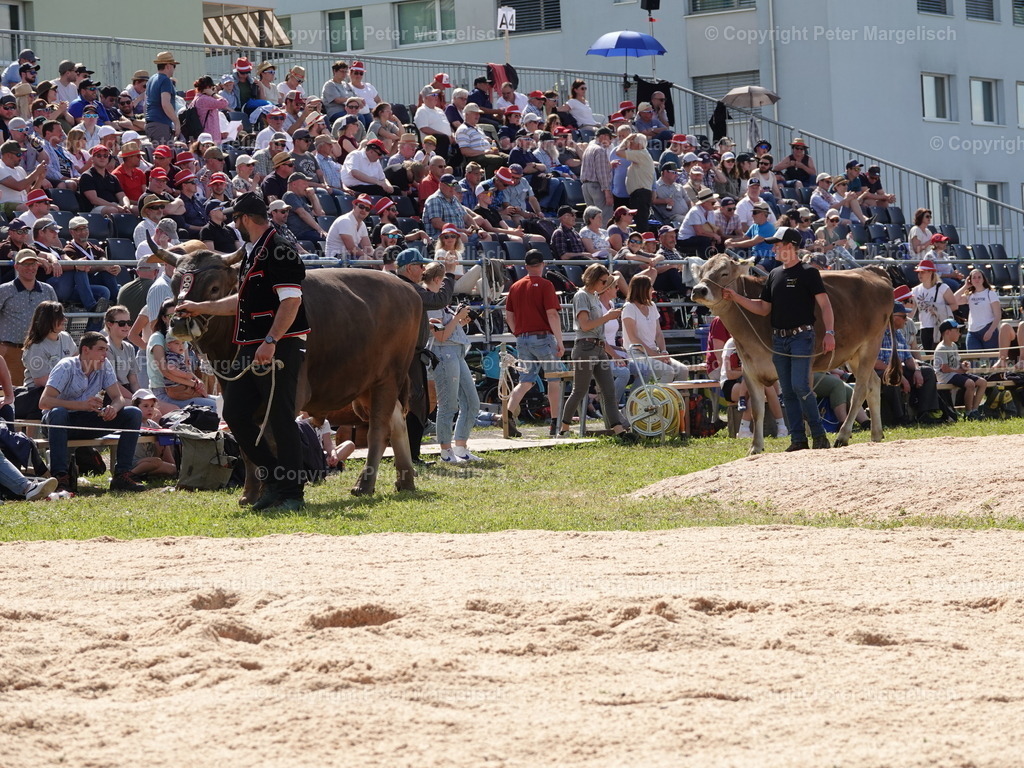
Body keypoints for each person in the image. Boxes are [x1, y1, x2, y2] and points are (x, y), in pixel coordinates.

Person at [176, 192, 309, 512]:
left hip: (276, 348)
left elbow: (292, 301)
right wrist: (200, 306)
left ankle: (292, 493)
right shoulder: (254, 252)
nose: (236, 224)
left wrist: (271, 341)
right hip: (252, 347)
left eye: (237, 219)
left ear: (245, 219)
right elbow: (241, 303)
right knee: (235, 413)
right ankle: (275, 479)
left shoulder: (280, 249)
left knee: (280, 418)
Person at [722, 226, 836, 451]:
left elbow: (825, 304)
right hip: (780, 339)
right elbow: (764, 308)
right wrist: (736, 298)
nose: (773, 248)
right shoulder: (774, 274)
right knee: (789, 389)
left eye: (778, 244)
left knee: (800, 387)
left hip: (802, 336)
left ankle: (819, 435)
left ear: (791, 247)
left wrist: (830, 333)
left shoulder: (808, 273)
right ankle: (798, 439)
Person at [39, 331, 145, 494]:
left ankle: (122, 475)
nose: (105, 354)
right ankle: (60, 477)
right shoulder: (66, 366)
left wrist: (113, 409)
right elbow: (44, 402)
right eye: (101, 349)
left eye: (107, 350)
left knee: (133, 413)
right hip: (60, 422)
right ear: (86, 350)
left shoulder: (105, 366)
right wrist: (80, 405)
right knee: (58, 412)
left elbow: (118, 398)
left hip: (89, 419)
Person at [558, 264, 636, 441]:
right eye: (603, 281)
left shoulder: (594, 296)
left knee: (609, 391)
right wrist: (608, 317)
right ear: (593, 278)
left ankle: (618, 429)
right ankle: (564, 427)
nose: (605, 284)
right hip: (585, 347)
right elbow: (585, 325)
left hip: (599, 347)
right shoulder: (582, 296)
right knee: (580, 390)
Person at [394, 247, 456, 464]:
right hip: (409, 355)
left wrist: (423, 324)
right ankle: (411, 457)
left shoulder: (400, 286)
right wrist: (449, 274)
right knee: (417, 405)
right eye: (420, 266)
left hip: (406, 353)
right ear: (410, 268)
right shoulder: (409, 288)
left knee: (411, 405)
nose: (423, 270)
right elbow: (440, 300)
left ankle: (410, 456)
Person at [422, 261, 482, 464]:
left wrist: (462, 320)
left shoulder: (440, 303)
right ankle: (446, 450)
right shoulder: (431, 304)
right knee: (448, 405)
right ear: (438, 279)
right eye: (446, 282)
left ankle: (461, 447)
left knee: (472, 402)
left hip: (455, 352)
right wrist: (457, 318)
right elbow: (439, 337)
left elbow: (448, 330)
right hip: (443, 354)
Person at [504, 249, 564, 437]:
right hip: (543, 337)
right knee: (554, 379)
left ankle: (506, 417)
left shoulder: (515, 286)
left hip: (523, 338)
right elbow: (552, 314)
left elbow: (509, 316)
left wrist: (518, 334)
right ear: (542, 265)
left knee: (525, 382)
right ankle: (555, 422)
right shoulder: (546, 285)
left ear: (526, 266)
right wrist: (560, 341)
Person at [877, 300, 943, 426]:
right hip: (882, 371)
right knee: (893, 379)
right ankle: (899, 417)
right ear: (893, 317)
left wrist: (917, 370)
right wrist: (899, 376)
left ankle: (925, 412)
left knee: (927, 372)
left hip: (898, 369)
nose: (906, 320)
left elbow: (908, 357)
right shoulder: (877, 335)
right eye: (903, 316)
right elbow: (874, 363)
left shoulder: (898, 334)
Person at [146, 299, 217, 412]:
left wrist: (197, 381)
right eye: (171, 315)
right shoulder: (157, 338)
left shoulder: (182, 338)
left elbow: (187, 368)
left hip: (186, 388)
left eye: (177, 314)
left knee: (221, 401)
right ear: (164, 318)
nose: (175, 318)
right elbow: (167, 372)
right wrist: (192, 384)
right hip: (166, 392)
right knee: (215, 407)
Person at [621, 273, 688, 384]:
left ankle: (676, 400)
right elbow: (634, 339)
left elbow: (658, 333)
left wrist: (664, 352)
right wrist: (656, 356)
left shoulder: (652, 306)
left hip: (654, 353)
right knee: (668, 372)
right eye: (650, 287)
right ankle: (661, 400)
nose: (653, 290)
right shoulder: (629, 307)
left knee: (683, 370)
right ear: (642, 289)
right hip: (636, 354)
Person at [933, 318, 988, 421]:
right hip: (945, 376)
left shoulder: (953, 346)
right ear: (948, 332)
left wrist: (962, 365)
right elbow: (944, 369)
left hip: (954, 373)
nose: (959, 333)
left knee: (982, 382)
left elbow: (955, 362)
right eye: (957, 331)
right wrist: (959, 371)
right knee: (970, 383)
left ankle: (974, 410)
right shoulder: (941, 348)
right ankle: (968, 413)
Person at [129, 388, 177, 479]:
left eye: (152, 406)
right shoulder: (132, 423)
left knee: (172, 469)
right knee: (156, 461)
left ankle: (143, 475)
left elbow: (164, 438)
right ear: (136, 407)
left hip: (149, 462)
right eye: (145, 406)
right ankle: (129, 475)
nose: (150, 409)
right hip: (134, 462)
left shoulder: (153, 424)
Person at [911, 259, 958, 351]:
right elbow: (912, 311)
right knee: (929, 357)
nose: (920, 275)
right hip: (924, 327)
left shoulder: (943, 288)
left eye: (923, 272)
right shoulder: (915, 290)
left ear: (930, 273)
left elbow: (955, 306)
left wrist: (938, 309)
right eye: (919, 272)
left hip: (940, 327)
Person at [954, 269, 1001, 356]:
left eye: (979, 277)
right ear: (970, 280)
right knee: (972, 360)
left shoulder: (990, 293)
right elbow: (955, 300)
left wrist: (991, 331)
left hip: (987, 328)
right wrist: (965, 286)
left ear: (983, 279)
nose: (977, 280)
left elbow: (997, 315)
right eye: (974, 278)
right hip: (972, 331)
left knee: (993, 358)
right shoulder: (970, 294)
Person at [145, 52, 180, 146]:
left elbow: (146, 103)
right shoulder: (165, 80)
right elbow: (165, 103)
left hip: (151, 124)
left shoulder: (151, 79)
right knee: (164, 157)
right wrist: (176, 122)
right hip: (161, 124)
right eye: (174, 66)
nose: (174, 69)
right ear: (168, 66)